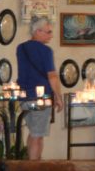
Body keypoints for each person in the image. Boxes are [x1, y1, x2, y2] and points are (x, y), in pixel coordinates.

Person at [16, 16, 63, 160]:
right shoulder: (46, 51)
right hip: (41, 99)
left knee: (33, 133)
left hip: (24, 97)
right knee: (38, 136)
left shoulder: (21, 48)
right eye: (48, 32)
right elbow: (52, 76)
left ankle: (31, 166)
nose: (51, 35)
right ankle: (34, 170)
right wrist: (59, 97)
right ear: (38, 31)